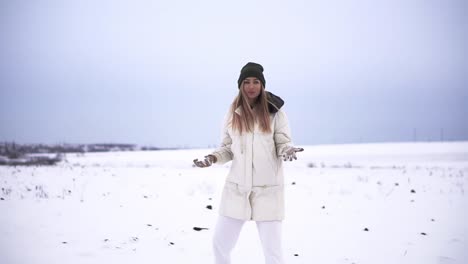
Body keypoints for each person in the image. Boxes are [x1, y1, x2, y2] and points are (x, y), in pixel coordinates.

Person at [193, 62, 303, 264]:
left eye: (256, 82)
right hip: (237, 190)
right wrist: (212, 158)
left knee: (273, 254)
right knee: (220, 245)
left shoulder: (275, 113)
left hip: (268, 191)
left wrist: (287, 149)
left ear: (262, 85)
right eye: (246, 82)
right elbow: (227, 148)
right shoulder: (232, 113)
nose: (251, 86)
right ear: (240, 85)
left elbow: (282, 142)